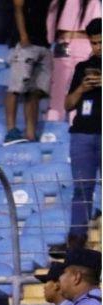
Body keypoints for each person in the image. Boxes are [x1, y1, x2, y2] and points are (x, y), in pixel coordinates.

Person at [65, 20, 101, 248]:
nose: (98, 47)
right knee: (81, 188)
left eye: (102, 42)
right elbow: (67, 104)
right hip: (82, 135)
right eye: (94, 43)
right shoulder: (82, 68)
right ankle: (77, 240)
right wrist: (81, 88)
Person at [4, 0, 56, 145]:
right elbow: (18, 6)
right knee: (16, 88)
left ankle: (31, 134)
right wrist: (23, 36)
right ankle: (11, 131)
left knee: (35, 91)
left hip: (43, 43)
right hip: (26, 43)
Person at [48, 0, 102, 125]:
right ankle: (55, 122)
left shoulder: (91, 2)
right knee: (59, 85)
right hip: (64, 44)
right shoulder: (57, 3)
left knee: (79, 83)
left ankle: (73, 119)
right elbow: (50, 24)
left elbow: (97, 26)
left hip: (81, 44)